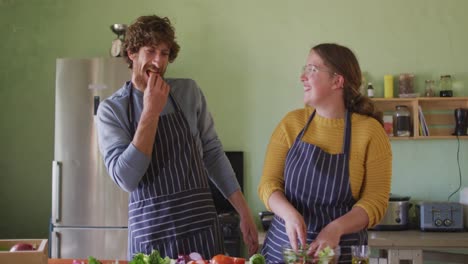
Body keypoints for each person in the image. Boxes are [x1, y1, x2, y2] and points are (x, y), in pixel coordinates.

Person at [97, 15, 258, 260]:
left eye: (164, 53)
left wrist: (244, 212)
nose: (158, 61)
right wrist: (150, 110)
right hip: (151, 236)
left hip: (201, 230)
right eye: (150, 51)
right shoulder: (112, 110)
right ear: (131, 53)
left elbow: (213, 154)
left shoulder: (188, 92)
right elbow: (126, 178)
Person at [258, 43, 392, 263]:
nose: (302, 77)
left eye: (312, 69)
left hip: (342, 253)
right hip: (285, 252)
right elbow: (268, 184)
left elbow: (376, 201)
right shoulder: (291, 124)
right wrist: (289, 215)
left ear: (337, 81)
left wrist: (335, 228)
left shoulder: (370, 132)